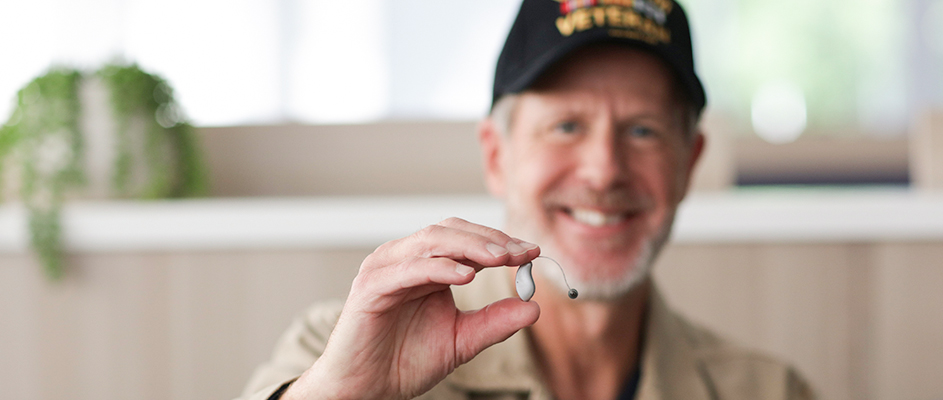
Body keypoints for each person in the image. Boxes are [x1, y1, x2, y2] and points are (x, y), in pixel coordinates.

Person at [238, 1, 814, 399]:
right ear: (497, 156)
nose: (604, 170)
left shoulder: (769, 390)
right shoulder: (338, 353)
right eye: (566, 126)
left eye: (642, 131)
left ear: (688, 163)